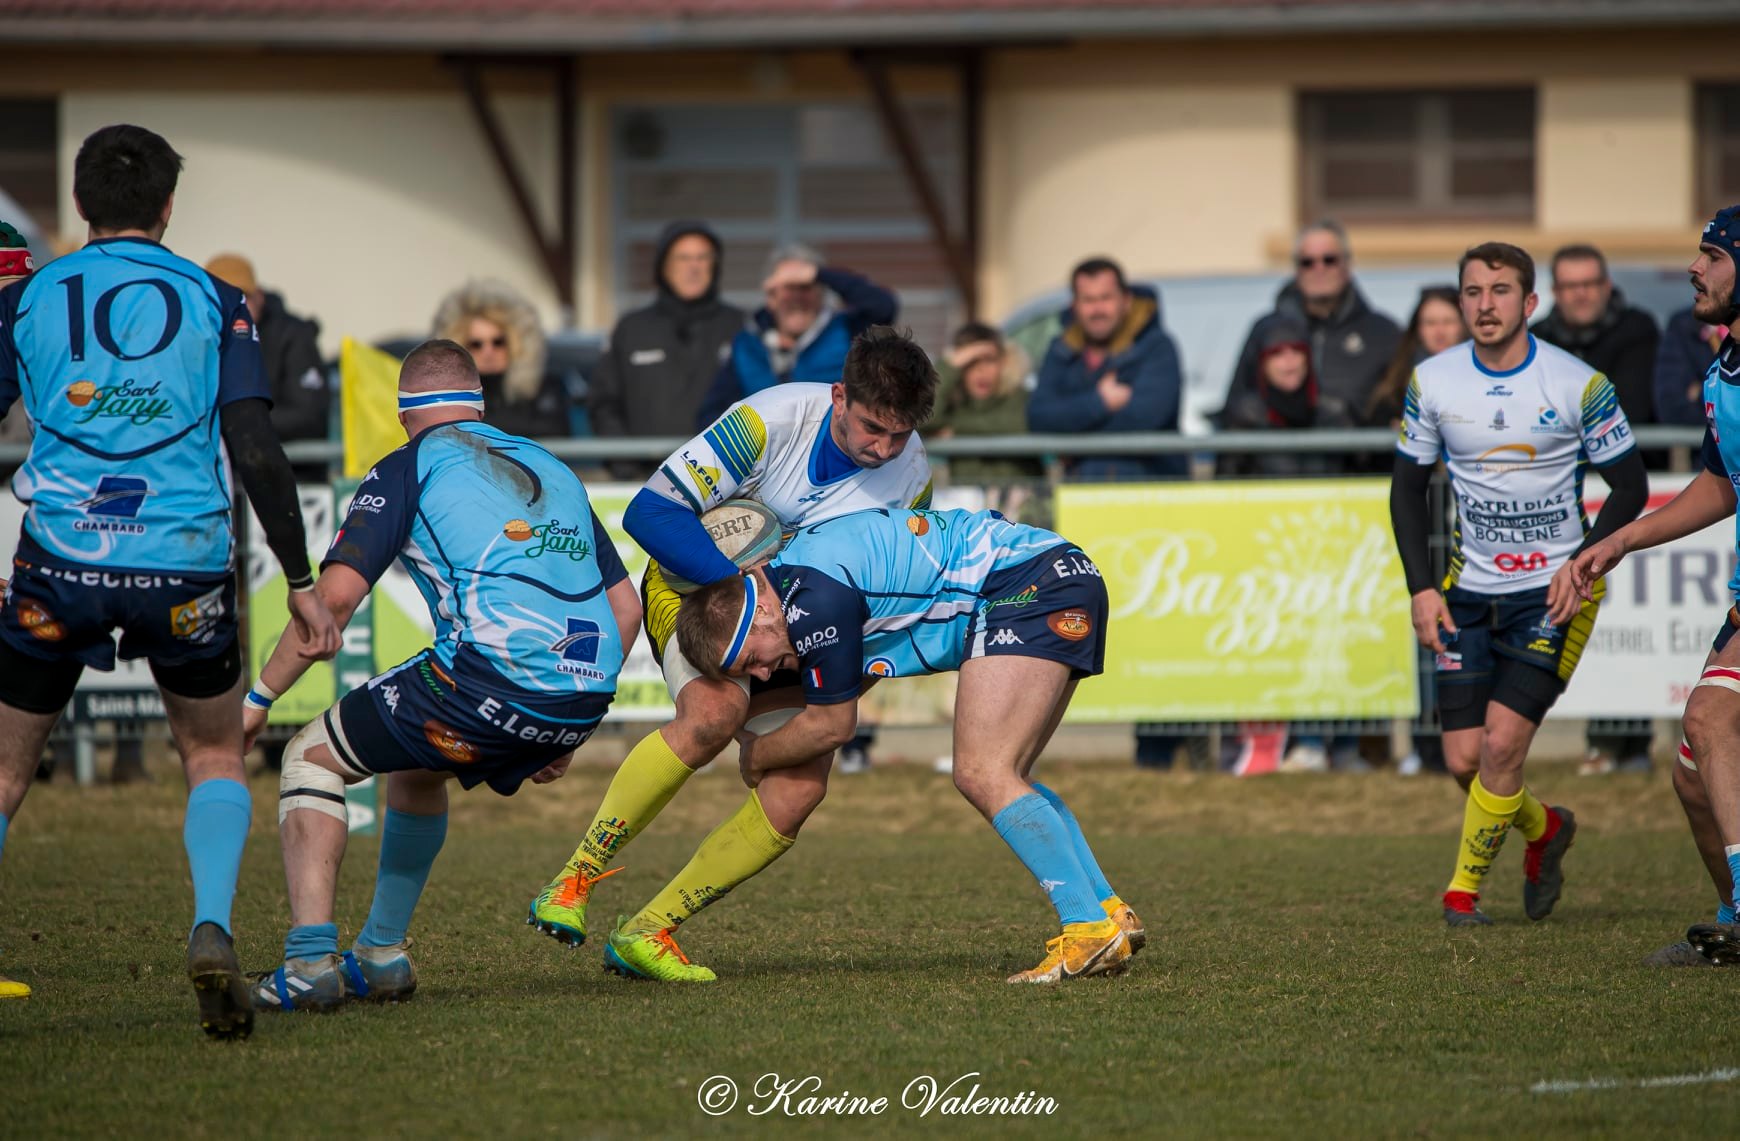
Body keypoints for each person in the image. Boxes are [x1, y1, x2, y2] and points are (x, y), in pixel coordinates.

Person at [0, 125, 341, 1029]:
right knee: (215, 753)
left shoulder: (26, 296)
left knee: (3, 770)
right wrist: (302, 582)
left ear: (78, 205)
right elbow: (258, 450)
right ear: (167, 206)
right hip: (182, 561)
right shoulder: (219, 298)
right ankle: (211, 926)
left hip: (61, 557)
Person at [241, 340, 641, 1011]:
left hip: (486, 685)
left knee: (309, 757)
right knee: (418, 764)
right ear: (480, 405)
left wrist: (257, 699)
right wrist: (569, 725)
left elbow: (332, 603)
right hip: (582, 697)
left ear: (405, 416)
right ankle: (382, 953)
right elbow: (624, 606)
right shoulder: (554, 467)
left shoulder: (409, 463)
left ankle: (310, 963)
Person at [524, 327, 934, 975]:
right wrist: (746, 589)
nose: (882, 448)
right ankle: (573, 879)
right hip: (696, 593)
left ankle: (648, 931)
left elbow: (883, 592)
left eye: (900, 434)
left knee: (802, 782)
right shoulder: (767, 421)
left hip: (795, 628)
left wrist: (834, 689)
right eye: (871, 427)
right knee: (714, 711)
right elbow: (649, 515)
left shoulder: (913, 478)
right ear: (837, 396)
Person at [676, 506, 1143, 983]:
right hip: (1057, 570)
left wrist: (754, 754)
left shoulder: (811, 602)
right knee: (1010, 773)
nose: (762, 674)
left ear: (762, 614)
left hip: (1025, 583)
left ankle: (1086, 927)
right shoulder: (801, 581)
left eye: (753, 659)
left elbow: (832, 726)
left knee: (984, 772)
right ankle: (1108, 912)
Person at [1390, 241, 1648, 927]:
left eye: (1500, 290)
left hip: (1553, 592)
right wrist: (1423, 586)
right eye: (1472, 291)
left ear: (1531, 303)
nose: (1485, 304)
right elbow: (1406, 490)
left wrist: (1584, 563)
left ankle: (1462, 893)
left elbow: (1631, 487)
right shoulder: (1433, 380)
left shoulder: (1577, 383)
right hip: (1468, 590)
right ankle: (1546, 829)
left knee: (1503, 746)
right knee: (1464, 759)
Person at [1563, 206, 1740, 966]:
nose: (1695, 269)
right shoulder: (1722, 370)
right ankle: (1733, 918)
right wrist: (1621, 537)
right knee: (1693, 777)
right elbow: (1720, 481)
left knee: (1705, 715)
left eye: (1710, 255)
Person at [1530, 244, 1663, 773]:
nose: (1581, 293)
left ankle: (1632, 743)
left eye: (1590, 283)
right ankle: (1602, 742)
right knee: (1585, 620)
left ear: (1606, 286)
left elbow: (1628, 406)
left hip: (1629, 493)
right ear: (1554, 292)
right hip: (1564, 498)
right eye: (1570, 284)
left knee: (1635, 622)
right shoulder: (1536, 339)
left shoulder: (1637, 329)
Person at [589, 221, 744, 477]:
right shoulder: (632, 328)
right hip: (640, 480)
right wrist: (626, 468)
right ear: (664, 266)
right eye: (683, 258)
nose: (693, 267)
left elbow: (758, 404)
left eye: (702, 258)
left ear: (715, 266)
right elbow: (603, 404)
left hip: (723, 481)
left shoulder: (740, 327)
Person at [694, 244, 898, 426]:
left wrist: (820, 274)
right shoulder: (746, 345)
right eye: (789, 287)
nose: (797, 298)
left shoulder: (846, 331)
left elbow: (883, 307)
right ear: (771, 297)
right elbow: (711, 415)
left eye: (805, 286)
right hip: (765, 463)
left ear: (820, 292)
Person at [1224, 221, 1401, 422]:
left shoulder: (1382, 333)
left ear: (1347, 265)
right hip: (1281, 451)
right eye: (1307, 262)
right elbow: (1234, 406)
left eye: (1329, 260)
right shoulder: (1266, 331)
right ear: (1296, 269)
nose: (1319, 269)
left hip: (1355, 451)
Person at [1027, 257, 1184, 480]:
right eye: (1088, 300)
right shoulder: (1061, 349)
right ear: (1075, 305)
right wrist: (1099, 402)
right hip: (1080, 494)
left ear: (1126, 301)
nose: (1097, 309)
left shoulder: (1156, 347)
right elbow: (1039, 418)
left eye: (1105, 298)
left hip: (1149, 491)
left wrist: (1068, 432)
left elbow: (1146, 418)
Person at [203, 252, 329, 470]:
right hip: (221, 473)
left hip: (287, 471)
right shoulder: (198, 338)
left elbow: (309, 414)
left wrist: (234, 421)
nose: (232, 309)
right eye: (218, 299)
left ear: (259, 296)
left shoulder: (293, 336)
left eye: (241, 297)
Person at [432, 279, 572, 441]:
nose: (488, 352)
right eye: (476, 344)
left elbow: (555, 433)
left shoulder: (545, 388)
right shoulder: (447, 399)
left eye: (498, 342)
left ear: (516, 341)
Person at [927, 321, 1042, 515]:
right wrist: (947, 366)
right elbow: (924, 416)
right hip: (970, 512)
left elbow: (1019, 422)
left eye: (989, 360)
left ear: (1004, 362)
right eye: (970, 362)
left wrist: (956, 430)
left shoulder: (1018, 396)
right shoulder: (953, 402)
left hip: (1022, 509)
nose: (981, 371)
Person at [1366, 286, 1468, 429]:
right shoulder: (1397, 382)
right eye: (1430, 323)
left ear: (1464, 325)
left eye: (1448, 322)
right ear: (1418, 329)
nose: (1439, 332)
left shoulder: (1484, 374)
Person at [1654, 304, 1725, 426]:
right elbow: (1670, 408)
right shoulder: (1682, 325)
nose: (1698, 284)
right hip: (1703, 442)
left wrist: (1700, 393)